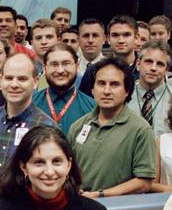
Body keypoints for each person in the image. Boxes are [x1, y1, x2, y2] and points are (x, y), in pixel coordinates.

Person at [66, 57, 157, 198]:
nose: (107, 91)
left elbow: (144, 182)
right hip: (79, 206)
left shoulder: (140, 130)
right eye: (101, 84)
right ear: (92, 89)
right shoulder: (77, 126)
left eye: (114, 84)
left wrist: (100, 194)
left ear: (127, 91)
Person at [0, 52, 49, 201]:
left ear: (35, 82)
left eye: (22, 79)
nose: (14, 84)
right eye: (9, 78)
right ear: (1, 80)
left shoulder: (46, 127)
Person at [33, 44, 95, 135]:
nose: (60, 70)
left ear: (77, 66)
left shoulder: (92, 107)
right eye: (54, 64)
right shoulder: (31, 104)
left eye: (66, 63)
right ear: (44, 68)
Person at [131, 45, 172, 135]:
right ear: (138, 64)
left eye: (160, 64)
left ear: (166, 70)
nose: (153, 68)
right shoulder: (123, 96)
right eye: (149, 62)